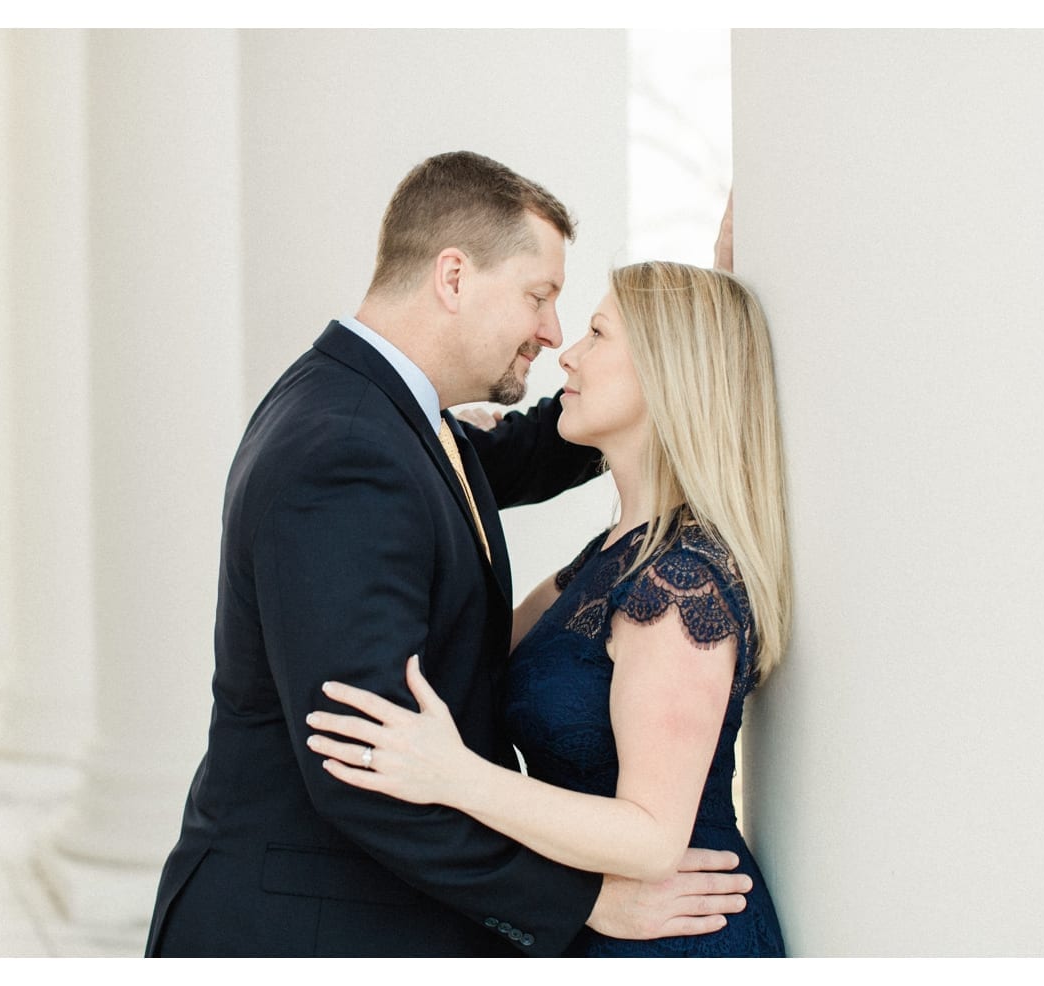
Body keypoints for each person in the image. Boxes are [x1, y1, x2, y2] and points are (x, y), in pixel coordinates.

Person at [145, 152, 753, 957]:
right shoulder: (347, 452)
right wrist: (578, 902)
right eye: (539, 296)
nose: (553, 333)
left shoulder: (390, 415)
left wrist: (699, 328)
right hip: (311, 932)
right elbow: (362, 760)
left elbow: (549, 441)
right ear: (454, 277)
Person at [305, 258, 790, 956]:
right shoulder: (608, 558)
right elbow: (473, 658)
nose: (569, 353)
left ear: (665, 373)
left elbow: (652, 839)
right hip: (598, 925)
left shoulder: (684, 581)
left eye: (596, 334)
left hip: (674, 934)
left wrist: (457, 777)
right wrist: (442, 457)